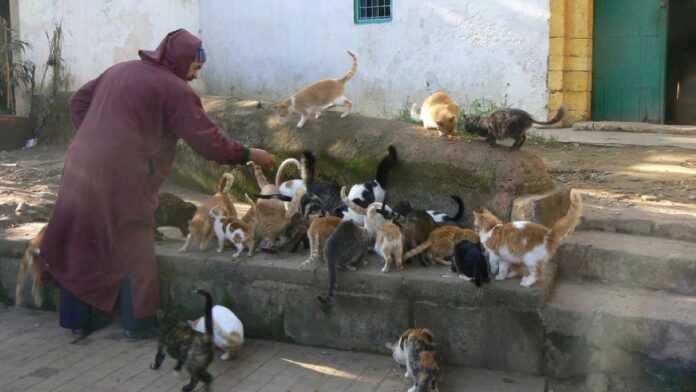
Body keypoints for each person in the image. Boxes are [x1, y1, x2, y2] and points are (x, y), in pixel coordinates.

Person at [39, 29, 275, 339]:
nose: (195, 75)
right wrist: (249, 154)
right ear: (180, 60)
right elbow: (207, 142)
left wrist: (94, 136)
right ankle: (138, 322)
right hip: (125, 174)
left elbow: (79, 101)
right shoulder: (175, 90)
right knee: (135, 240)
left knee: (83, 235)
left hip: (81, 163)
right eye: (195, 67)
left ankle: (79, 319)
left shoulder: (120, 70)